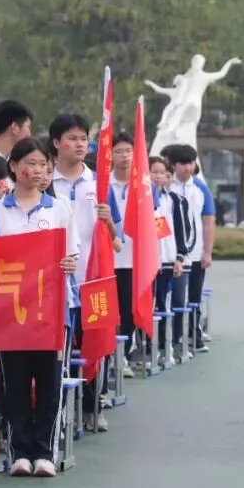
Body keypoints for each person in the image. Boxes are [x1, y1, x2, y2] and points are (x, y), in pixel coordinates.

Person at [0, 138, 79, 478]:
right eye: (30, 162)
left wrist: (69, 265)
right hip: (10, 312)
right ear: (13, 166)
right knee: (13, 383)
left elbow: (71, 255)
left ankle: (44, 451)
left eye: (44, 163)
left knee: (49, 382)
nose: (38, 170)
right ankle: (19, 452)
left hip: (52, 310)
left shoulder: (59, 210)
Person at [49, 112, 122, 431]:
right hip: (56, 283)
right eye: (72, 138)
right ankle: (58, 413)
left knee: (95, 346)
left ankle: (93, 407)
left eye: (83, 138)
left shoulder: (99, 183)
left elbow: (118, 242)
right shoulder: (45, 180)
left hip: (94, 281)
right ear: (56, 143)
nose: (80, 145)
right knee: (60, 351)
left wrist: (107, 221)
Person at [167, 144, 215, 354]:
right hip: (173, 254)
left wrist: (207, 252)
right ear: (174, 165)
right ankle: (174, 338)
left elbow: (208, 220)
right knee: (176, 297)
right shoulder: (167, 187)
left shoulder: (200, 188)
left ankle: (195, 336)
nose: (188, 168)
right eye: (183, 163)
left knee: (194, 296)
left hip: (196, 254)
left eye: (191, 163)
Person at [149, 156, 190, 368]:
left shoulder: (173, 200)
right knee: (146, 308)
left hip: (166, 261)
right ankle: (146, 349)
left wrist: (179, 258)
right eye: (154, 172)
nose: (158, 176)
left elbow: (180, 231)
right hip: (145, 264)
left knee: (164, 306)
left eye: (163, 173)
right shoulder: (140, 198)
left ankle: (165, 349)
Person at [109, 131, 137, 374]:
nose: (124, 156)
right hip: (108, 259)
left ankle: (125, 356)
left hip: (134, 260)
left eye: (128, 151)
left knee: (129, 311)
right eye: (118, 151)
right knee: (109, 312)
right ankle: (108, 357)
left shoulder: (144, 184)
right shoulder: (102, 183)